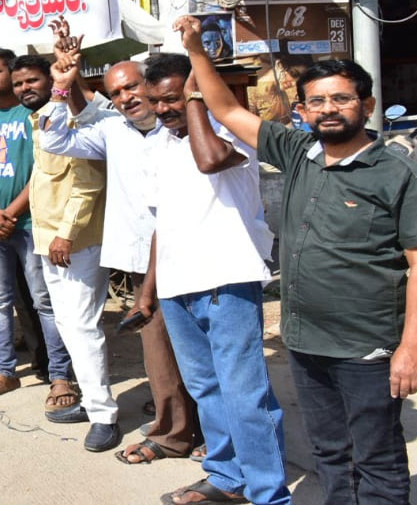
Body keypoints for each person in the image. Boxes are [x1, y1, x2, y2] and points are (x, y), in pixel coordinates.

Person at [179, 16, 417, 505]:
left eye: (341, 99)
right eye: (317, 101)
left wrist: (413, 347)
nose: (329, 109)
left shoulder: (397, 172)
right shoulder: (299, 150)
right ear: (301, 111)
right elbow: (228, 110)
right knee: (330, 452)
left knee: (376, 457)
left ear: (367, 105)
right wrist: (196, 50)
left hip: (367, 348)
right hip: (305, 340)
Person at [131, 53, 289, 505]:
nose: (163, 110)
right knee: (206, 389)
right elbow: (165, 224)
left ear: (196, 92)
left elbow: (210, 160)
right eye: (155, 101)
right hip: (177, 287)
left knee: (245, 395)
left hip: (227, 280)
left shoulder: (227, 133)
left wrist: (198, 94)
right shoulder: (158, 146)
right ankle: (226, 478)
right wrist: (148, 293)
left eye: (173, 99)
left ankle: (268, 495)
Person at [39, 57, 201, 465]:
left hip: (192, 252)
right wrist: (62, 87)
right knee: (159, 351)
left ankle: (198, 430)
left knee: (199, 349)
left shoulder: (182, 130)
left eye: (132, 87)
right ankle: (174, 429)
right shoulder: (112, 130)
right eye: (117, 93)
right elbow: (55, 140)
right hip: (139, 258)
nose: (127, 98)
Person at [13, 51, 118, 452]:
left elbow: (88, 185)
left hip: (75, 243)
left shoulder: (76, 120)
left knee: (83, 327)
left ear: (55, 82)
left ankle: (104, 416)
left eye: (34, 82)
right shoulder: (41, 122)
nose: (25, 89)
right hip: (49, 241)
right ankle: (93, 402)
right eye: (19, 83)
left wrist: (67, 235)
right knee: (68, 326)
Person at [0, 48, 69, 405]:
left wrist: (10, 212)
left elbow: (43, 168)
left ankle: (61, 376)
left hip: (31, 224)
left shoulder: (34, 112)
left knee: (44, 301)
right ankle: (4, 372)